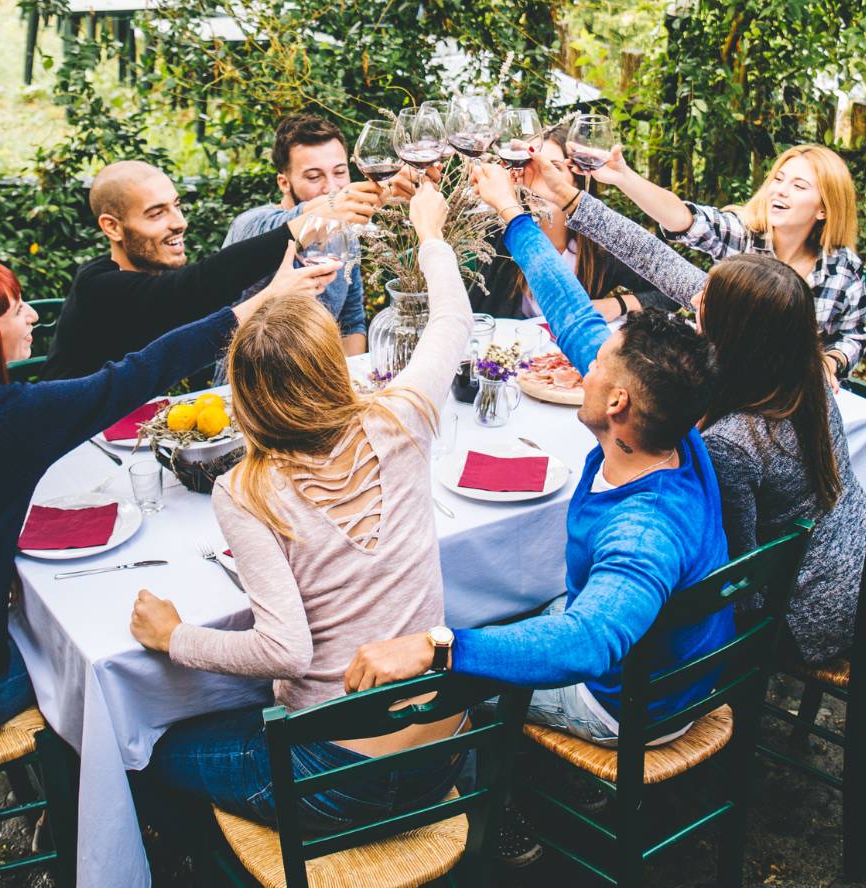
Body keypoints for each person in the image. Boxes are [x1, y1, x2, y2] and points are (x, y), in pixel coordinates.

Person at [0, 248, 333, 754]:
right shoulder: (0, 420)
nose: (34, 315)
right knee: (100, 670)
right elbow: (136, 374)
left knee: (60, 642)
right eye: (15, 307)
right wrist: (261, 302)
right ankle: (90, 806)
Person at [346, 161, 731, 755]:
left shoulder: (644, 530)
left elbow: (586, 642)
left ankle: (496, 812)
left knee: (444, 686)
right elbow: (573, 313)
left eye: (597, 364)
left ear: (620, 401)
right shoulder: (673, 425)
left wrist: (436, 648)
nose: (584, 361)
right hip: (669, 659)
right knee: (501, 621)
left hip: (630, 704)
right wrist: (509, 212)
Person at [128, 181, 475, 832]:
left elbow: (285, 652)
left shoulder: (247, 490)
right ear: (330, 367)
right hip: (445, 751)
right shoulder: (403, 418)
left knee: (147, 745)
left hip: (338, 780)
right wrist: (431, 237)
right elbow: (454, 321)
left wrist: (172, 637)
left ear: (245, 396)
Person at [517, 152, 866, 665]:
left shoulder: (735, 443)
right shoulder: (798, 365)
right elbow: (655, 259)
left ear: (729, 333)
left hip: (801, 622)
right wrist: (570, 199)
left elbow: (736, 579)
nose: (693, 299)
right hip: (848, 583)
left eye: (705, 302)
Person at [579, 143, 865, 387]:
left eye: (799, 186)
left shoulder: (843, 269)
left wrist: (831, 361)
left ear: (824, 208)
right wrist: (624, 177)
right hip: (726, 389)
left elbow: (853, 335)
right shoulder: (744, 235)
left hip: (797, 398)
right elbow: (684, 219)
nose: (780, 191)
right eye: (777, 180)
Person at [41, 160, 337, 379]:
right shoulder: (100, 287)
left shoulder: (152, 275)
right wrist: (302, 227)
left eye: (176, 206)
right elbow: (200, 285)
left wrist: (324, 208)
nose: (179, 222)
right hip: (65, 445)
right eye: (157, 213)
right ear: (112, 227)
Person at [472, 123, 677, 321]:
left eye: (553, 168)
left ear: (575, 179)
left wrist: (616, 305)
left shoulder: (598, 243)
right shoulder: (498, 234)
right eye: (530, 166)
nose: (539, 178)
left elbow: (671, 291)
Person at [222, 113, 383, 357]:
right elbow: (288, 224)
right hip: (247, 384)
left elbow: (351, 320)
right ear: (283, 183)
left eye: (340, 172)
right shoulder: (252, 225)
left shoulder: (345, 233)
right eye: (314, 177)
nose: (331, 188)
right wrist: (332, 207)